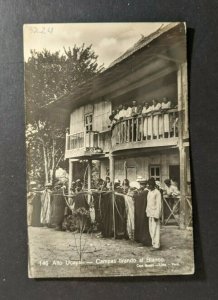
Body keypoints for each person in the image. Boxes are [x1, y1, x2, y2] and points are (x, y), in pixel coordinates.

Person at [134, 178, 152, 246]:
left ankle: (144, 240)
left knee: (143, 225)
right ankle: (140, 238)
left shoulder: (145, 192)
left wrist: (135, 195)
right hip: (142, 209)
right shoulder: (143, 191)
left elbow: (138, 198)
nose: (141, 186)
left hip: (144, 210)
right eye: (140, 184)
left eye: (142, 184)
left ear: (145, 185)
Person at [146, 178, 162, 250]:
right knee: (151, 230)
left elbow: (159, 205)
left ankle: (157, 245)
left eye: (149, 185)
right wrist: (147, 211)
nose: (148, 186)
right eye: (148, 184)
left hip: (155, 213)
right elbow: (148, 203)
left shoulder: (157, 192)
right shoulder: (149, 192)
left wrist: (157, 215)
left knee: (156, 230)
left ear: (153, 185)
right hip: (150, 213)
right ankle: (153, 244)